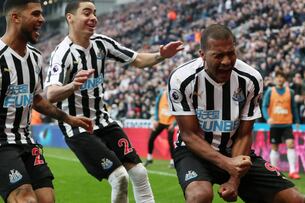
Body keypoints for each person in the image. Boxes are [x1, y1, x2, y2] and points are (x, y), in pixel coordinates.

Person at [44, 1, 183, 202]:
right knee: (119, 177)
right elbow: (50, 94)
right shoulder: (62, 54)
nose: (93, 17)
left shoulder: (101, 43)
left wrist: (161, 55)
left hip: (104, 121)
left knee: (140, 173)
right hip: (78, 128)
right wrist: (73, 86)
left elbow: (137, 59)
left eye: (94, 13)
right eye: (87, 13)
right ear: (70, 17)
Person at [168, 24, 305, 203]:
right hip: (194, 152)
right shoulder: (182, 79)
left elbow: (244, 135)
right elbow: (189, 135)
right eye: (218, 56)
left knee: (295, 200)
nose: (226, 61)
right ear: (202, 55)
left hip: (235, 151)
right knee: (199, 196)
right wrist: (228, 164)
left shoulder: (251, 79)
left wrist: (234, 179)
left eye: (231, 53)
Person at [0, 1, 93, 203]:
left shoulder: (35, 57)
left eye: (42, 14)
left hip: (26, 142)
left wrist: (69, 119)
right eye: (35, 14)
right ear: (15, 17)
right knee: (25, 198)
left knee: (46, 199)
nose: (42, 19)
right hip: (2, 144)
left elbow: (37, 99)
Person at [262, 70, 301, 179]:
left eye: (282, 77)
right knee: (275, 148)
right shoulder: (270, 91)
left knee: (291, 144)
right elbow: (264, 106)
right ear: (275, 79)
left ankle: (293, 171)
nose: (280, 79)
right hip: (274, 124)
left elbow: (294, 107)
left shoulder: (290, 92)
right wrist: (267, 118)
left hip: (287, 123)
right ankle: (275, 171)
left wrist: (297, 121)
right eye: (278, 77)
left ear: (285, 79)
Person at [144, 84, 177, 168]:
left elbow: (179, 111)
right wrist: (156, 119)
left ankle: (172, 161)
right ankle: (149, 158)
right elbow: (157, 107)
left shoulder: (175, 96)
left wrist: (174, 124)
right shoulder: (161, 94)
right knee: (151, 138)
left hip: (170, 123)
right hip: (161, 122)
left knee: (170, 142)